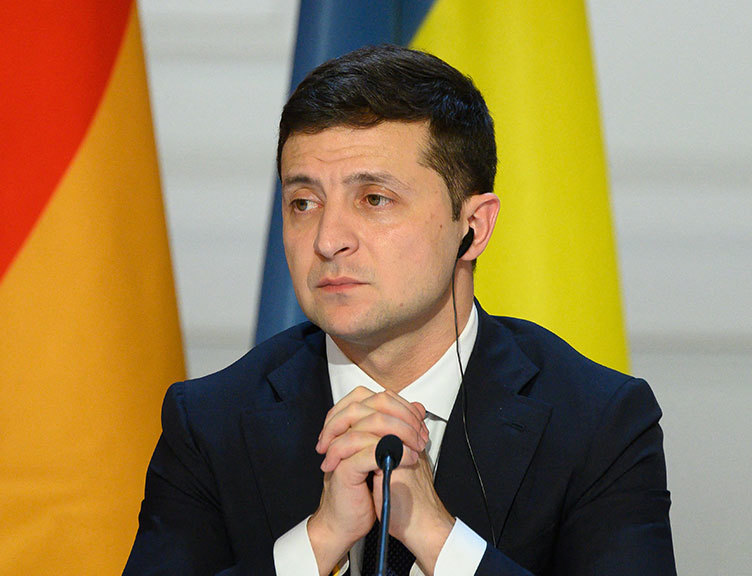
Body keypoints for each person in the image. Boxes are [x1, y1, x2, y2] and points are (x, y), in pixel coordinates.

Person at [124, 45, 676, 576]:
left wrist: (437, 537)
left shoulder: (599, 422)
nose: (328, 240)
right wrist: (318, 541)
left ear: (473, 227)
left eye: (374, 199)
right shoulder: (210, 422)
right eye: (303, 203)